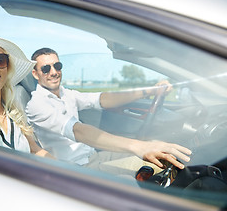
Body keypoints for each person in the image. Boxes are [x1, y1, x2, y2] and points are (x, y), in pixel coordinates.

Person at [25, 48, 192, 175]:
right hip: (78, 169)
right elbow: (78, 131)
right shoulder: (37, 104)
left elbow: (103, 99)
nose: (54, 72)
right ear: (35, 73)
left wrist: (149, 91)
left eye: (57, 66)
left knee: (163, 157)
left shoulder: (66, 93)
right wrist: (139, 146)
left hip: (94, 156)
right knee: (153, 169)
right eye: (46, 69)